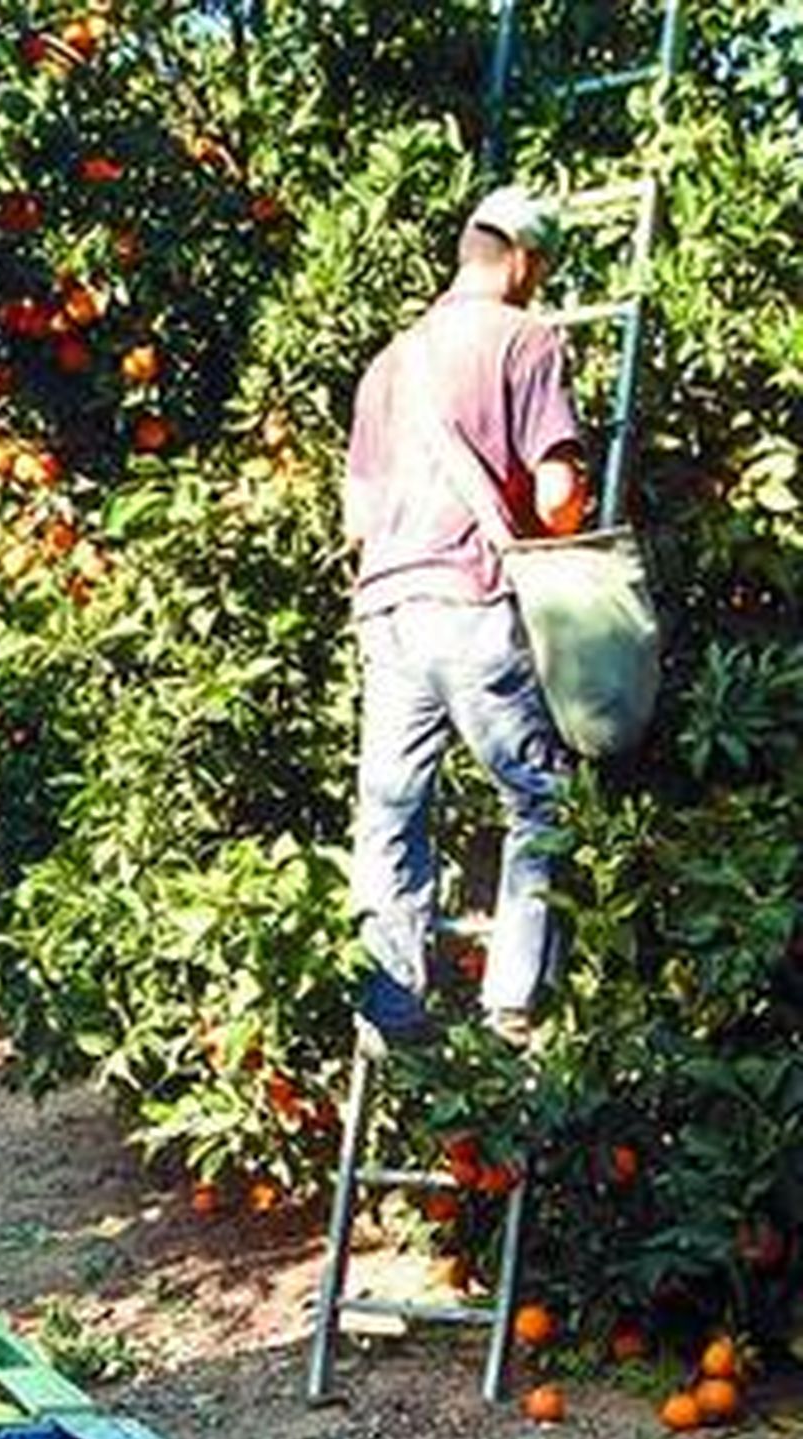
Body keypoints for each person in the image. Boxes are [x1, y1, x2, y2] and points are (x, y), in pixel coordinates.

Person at [343, 184, 588, 1049]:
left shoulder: (390, 363)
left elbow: (356, 518)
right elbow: (557, 498)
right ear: (522, 260)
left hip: (387, 610)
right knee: (541, 796)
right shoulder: (527, 338)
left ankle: (393, 1002)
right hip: (472, 598)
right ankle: (514, 993)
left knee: (392, 807)